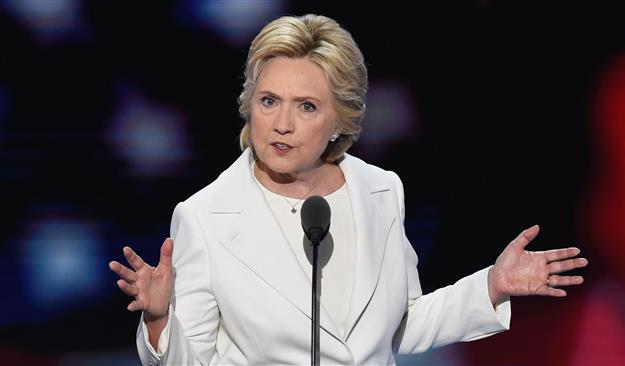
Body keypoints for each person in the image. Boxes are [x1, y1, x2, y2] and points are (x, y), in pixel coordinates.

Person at [108, 14, 588, 366]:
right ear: (248, 104)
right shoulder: (205, 216)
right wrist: (158, 321)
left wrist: (491, 286)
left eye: (307, 106)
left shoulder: (380, 190)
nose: (282, 124)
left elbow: (403, 324)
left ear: (339, 119)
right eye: (269, 101)